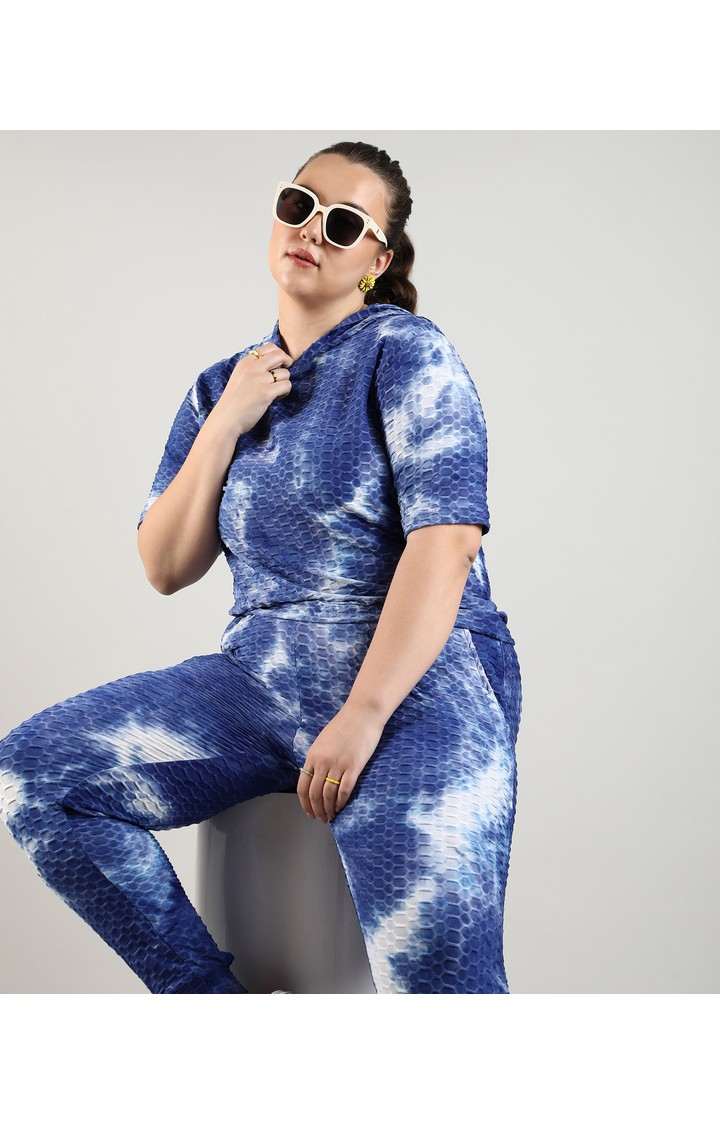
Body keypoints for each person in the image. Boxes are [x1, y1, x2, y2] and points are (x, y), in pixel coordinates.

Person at [0, 140, 522, 994]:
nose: (312, 229)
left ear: (377, 260)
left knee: (438, 983)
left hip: (418, 683)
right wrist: (227, 422)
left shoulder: (405, 351)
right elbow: (166, 563)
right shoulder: (221, 386)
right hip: (260, 675)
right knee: (39, 775)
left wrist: (364, 713)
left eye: (343, 223)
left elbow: (448, 542)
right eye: (299, 204)